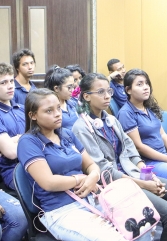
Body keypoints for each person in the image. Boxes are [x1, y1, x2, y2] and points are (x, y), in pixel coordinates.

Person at [72, 73, 167, 241]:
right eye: (100, 92)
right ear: (86, 96)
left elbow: (131, 150)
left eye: (109, 91)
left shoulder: (111, 120)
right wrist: (144, 184)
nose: (107, 96)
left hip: (133, 175)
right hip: (114, 185)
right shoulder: (81, 128)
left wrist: (150, 175)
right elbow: (104, 171)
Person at [17, 88, 134, 241]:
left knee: (142, 227)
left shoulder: (66, 134)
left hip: (91, 198)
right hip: (62, 210)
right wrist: (80, 179)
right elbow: (49, 183)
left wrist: (93, 176)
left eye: (58, 108)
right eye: (49, 111)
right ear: (33, 115)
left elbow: (91, 165)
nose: (58, 113)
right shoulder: (28, 142)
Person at [0, 62, 25, 190]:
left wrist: (16, 138)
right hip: (15, 171)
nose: (10, 86)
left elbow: (45, 137)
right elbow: (11, 152)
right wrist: (30, 138)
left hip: (37, 162)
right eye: (3, 83)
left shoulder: (22, 109)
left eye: (11, 81)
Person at [44, 65, 78, 129]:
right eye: (69, 87)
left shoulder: (73, 103)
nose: (72, 90)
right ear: (56, 88)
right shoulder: (49, 108)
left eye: (73, 87)